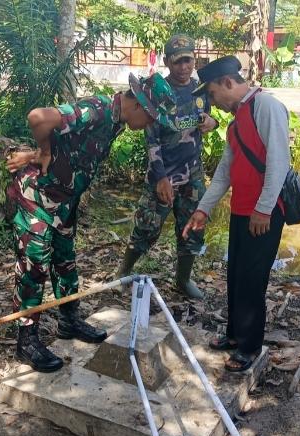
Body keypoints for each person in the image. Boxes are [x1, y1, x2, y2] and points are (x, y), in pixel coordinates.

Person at [5, 73, 177, 373]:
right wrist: (42, 152)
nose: (150, 125)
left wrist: (43, 153)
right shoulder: (96, 110)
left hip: (64, 201)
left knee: (65, 262)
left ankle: (69, 321)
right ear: (137, 104)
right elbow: (38, 118)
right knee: (34, 267)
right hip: (38, 197)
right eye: (150, 117)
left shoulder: (116, 121)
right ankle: (27, 340)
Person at [182, 55, 291, 372]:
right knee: (236, 274)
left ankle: (250, 346)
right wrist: (204, 209)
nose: (212, 102)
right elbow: (224, 172)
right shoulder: (236, 121)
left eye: (213, 94)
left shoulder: (266, 108)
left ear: (228, 82)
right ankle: (234, 334)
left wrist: (264, 208)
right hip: (243, 210)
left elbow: (278, 162)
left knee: (253, 278)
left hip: (264, 213)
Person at [117, 34, 218, 299]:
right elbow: (151, 139)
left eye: (188, 60)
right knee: (146, 227)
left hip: (193, 174)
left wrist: (213, 123)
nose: (184, 67)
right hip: (162, 175)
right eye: (178, 62)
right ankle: (123, 271)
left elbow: (208, 120)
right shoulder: (157, 92)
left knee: (192, 230)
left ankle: (182, 280)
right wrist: (160, 177)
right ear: (167, 62)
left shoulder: (200, 90)